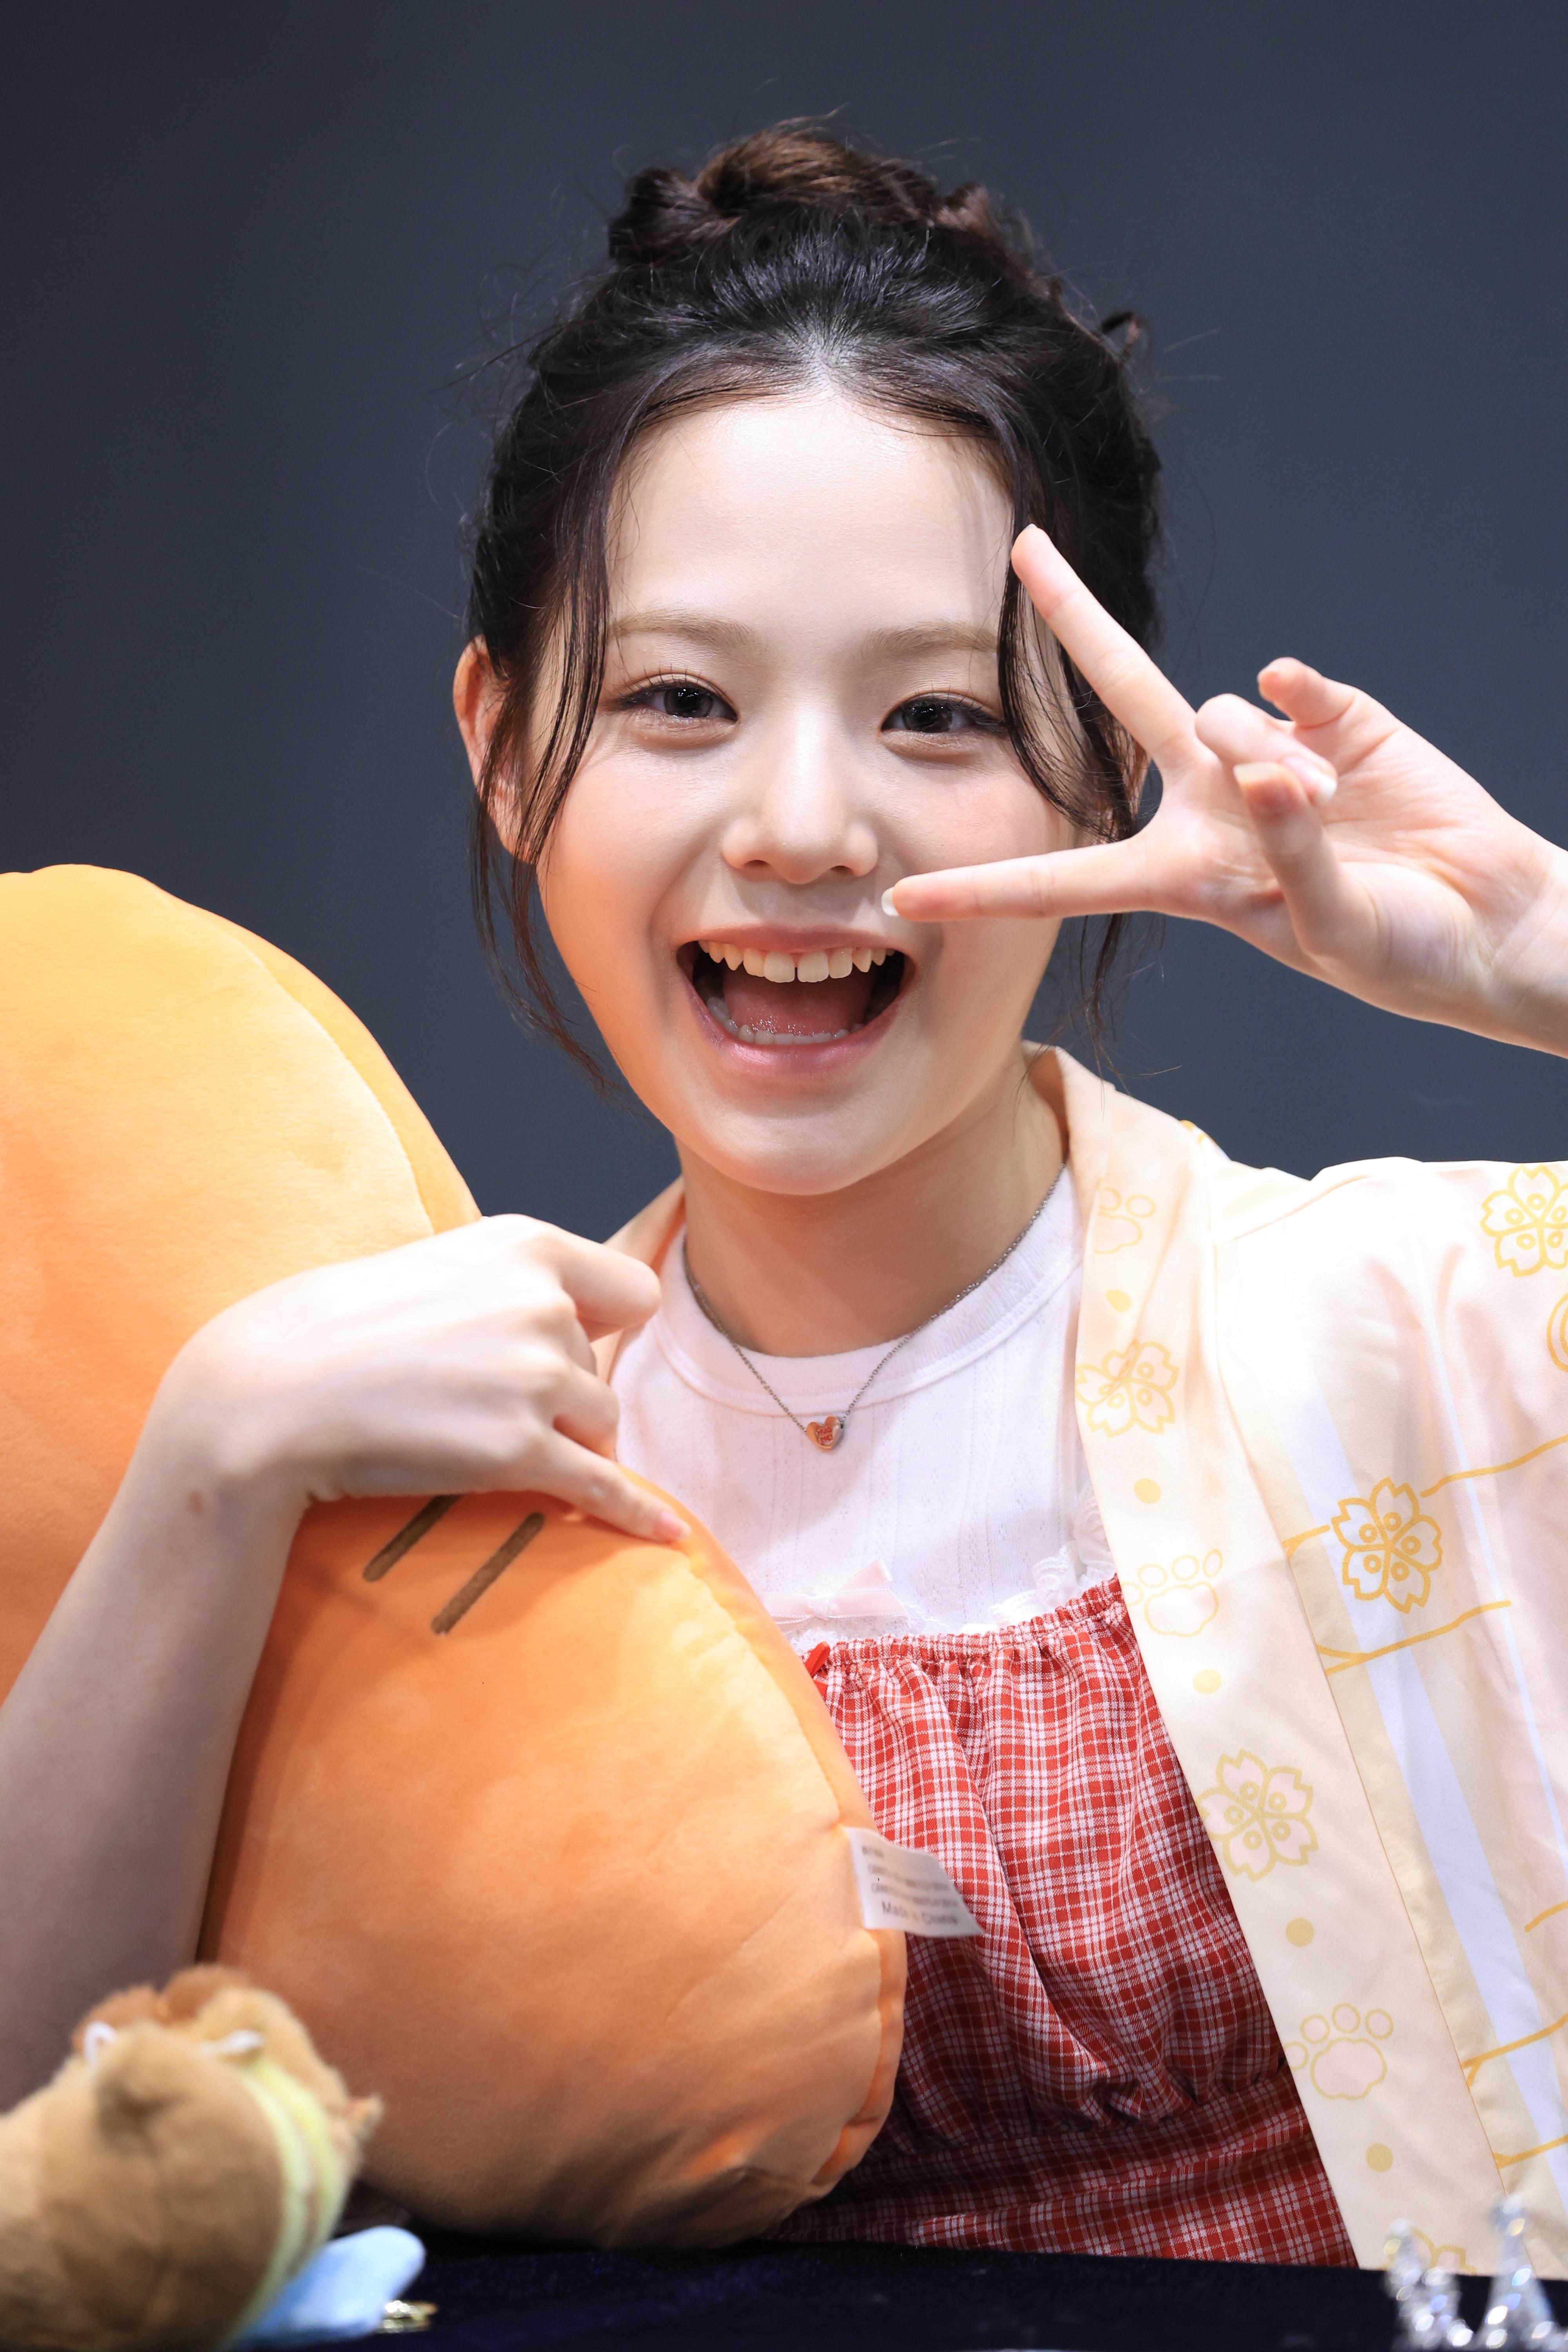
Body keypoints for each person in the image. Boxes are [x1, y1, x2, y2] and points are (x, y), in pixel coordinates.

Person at [5, 123, 1568, 2269]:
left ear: (1109, 774)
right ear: (504, 743)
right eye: (680, 701)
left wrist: (1537, 960)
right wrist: (207, 1476)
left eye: (936, 713)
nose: (807, 825)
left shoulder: (1427, 1327)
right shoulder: (412, 1479)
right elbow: (59, 2181)